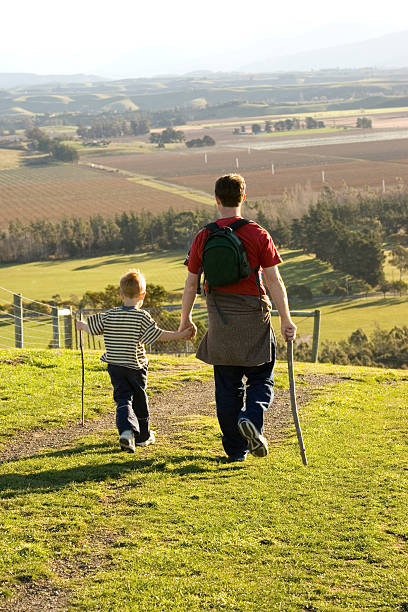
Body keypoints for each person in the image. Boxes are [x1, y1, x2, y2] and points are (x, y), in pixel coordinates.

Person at [179, 174, 296, 462]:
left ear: (217, 199)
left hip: (220, 320)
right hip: (254, 318)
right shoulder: (258, 234)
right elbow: (274, 281)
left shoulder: (203, 236)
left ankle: (235, 450)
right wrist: (286, 319)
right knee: (262, 378)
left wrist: (186, 320)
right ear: (243, 197)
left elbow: (191, 284)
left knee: (227, 388)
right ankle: (252, 419)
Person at [76, 269, 194, 453]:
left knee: (123, 399)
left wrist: (81, 325)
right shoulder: (141, 317)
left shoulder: (110, 315)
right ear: (143, 295)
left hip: (115, 366)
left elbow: (92, 327)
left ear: (121, 295)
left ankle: (126, 431)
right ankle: (143, 436)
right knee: (139, 400)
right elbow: (157, 335)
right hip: (135, 367)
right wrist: (180, 335)